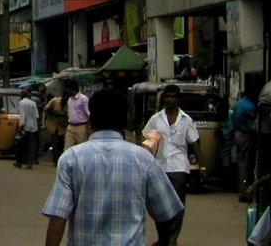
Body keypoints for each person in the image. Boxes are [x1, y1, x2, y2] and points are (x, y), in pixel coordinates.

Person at [42, 88, 184, 246]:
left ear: (91, 118)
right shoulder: (144, 159)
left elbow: (58, 216)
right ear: (125, 119)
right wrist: (164, 242)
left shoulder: (71, 158)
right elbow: (165, 211)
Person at [142, 84, 206, 245]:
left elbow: (194, 143)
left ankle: (171, 240)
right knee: (160, 206)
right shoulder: (156, 119)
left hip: (179, 168)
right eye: (167, 96)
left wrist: (202, 165)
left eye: (172, 97)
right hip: (160, 167)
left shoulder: (186, 119)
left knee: (177, 207)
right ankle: (164, 238)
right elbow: (146, 140)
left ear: (178, 99)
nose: (169, 99)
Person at [234, 89, 258, 203]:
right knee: (246, 164)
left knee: (241, 163)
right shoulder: (250, 106)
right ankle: (245, 191)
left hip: (237, 133)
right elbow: (253, 125)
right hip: (245, 135)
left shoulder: (239, 103)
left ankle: (242, 189)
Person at [14, 89, 39, 170]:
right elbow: (37, 116)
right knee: (31, 145)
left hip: (24, 128)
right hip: (33, 128)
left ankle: (19, 162)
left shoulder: (21, 103)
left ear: (21, 96)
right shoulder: (33, 103)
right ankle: (30, 163)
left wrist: (21, 127)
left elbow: (22, 116)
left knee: (20, 144)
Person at [43, 88, 69, 166]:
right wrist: (55, 113)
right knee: (55, 143)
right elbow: (46, 109)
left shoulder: (69, 104)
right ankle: (55, 160)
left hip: (62, 126)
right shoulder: (55, 101)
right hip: (52, 125)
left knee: (61, 143)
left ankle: (59, 159)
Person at [64, 79, 90, 150]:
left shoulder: (83, 99)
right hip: (70, 127)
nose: (66, 91)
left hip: (81, 127)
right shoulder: (69, 99)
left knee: (82, 149)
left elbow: (88, 113)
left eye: (67, 88)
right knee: (67, 149)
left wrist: (89, 127)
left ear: (71, 89)